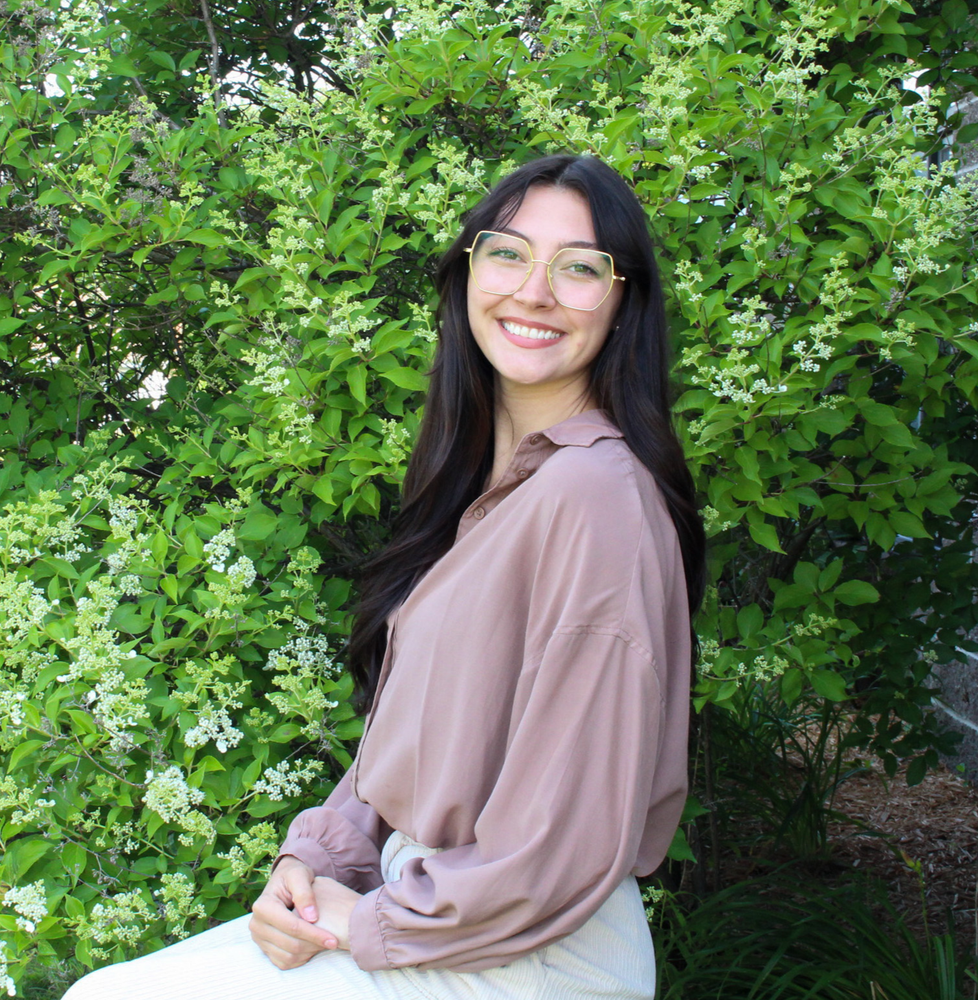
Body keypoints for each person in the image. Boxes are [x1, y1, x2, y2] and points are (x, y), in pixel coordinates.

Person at [62, 154, 705, 1000]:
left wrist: (363, 921)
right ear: (467, 272)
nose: (535, 290)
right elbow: (426, 739)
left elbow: (560, 844)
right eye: (507, 252)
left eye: (581, 269)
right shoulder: (491, 486)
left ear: (624, 304)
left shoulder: (595, 500)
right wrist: (315, 861)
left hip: (523, 948)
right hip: (431, 906)